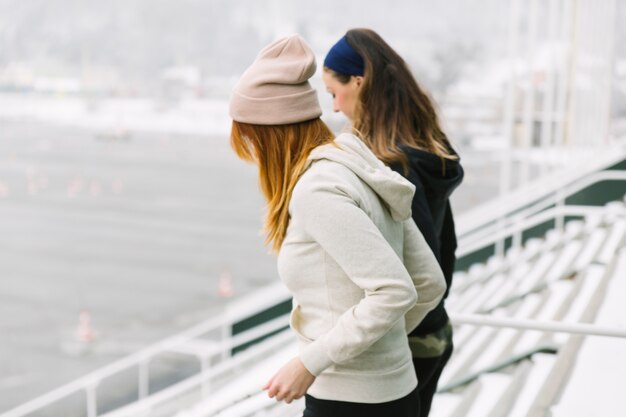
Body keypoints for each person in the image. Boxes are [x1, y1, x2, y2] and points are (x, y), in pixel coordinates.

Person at [229, 34, 446, 417]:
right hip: (394, 393)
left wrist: (310, 362)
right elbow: (428, 280)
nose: (253, 155)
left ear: (270, 134)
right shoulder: (355, 161)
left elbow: (395, 291)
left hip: (350, 403)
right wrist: (379, 348)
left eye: (251, 141)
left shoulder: (317, 190)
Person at [322, 28, 465, 417]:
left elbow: (422, 270)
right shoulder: (427, 147)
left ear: (358, 82)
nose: (334, 108)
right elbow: (446, 246)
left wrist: (386, 338)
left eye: (334, 92)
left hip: (411, 345)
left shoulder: (390, 167)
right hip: (435, 334)